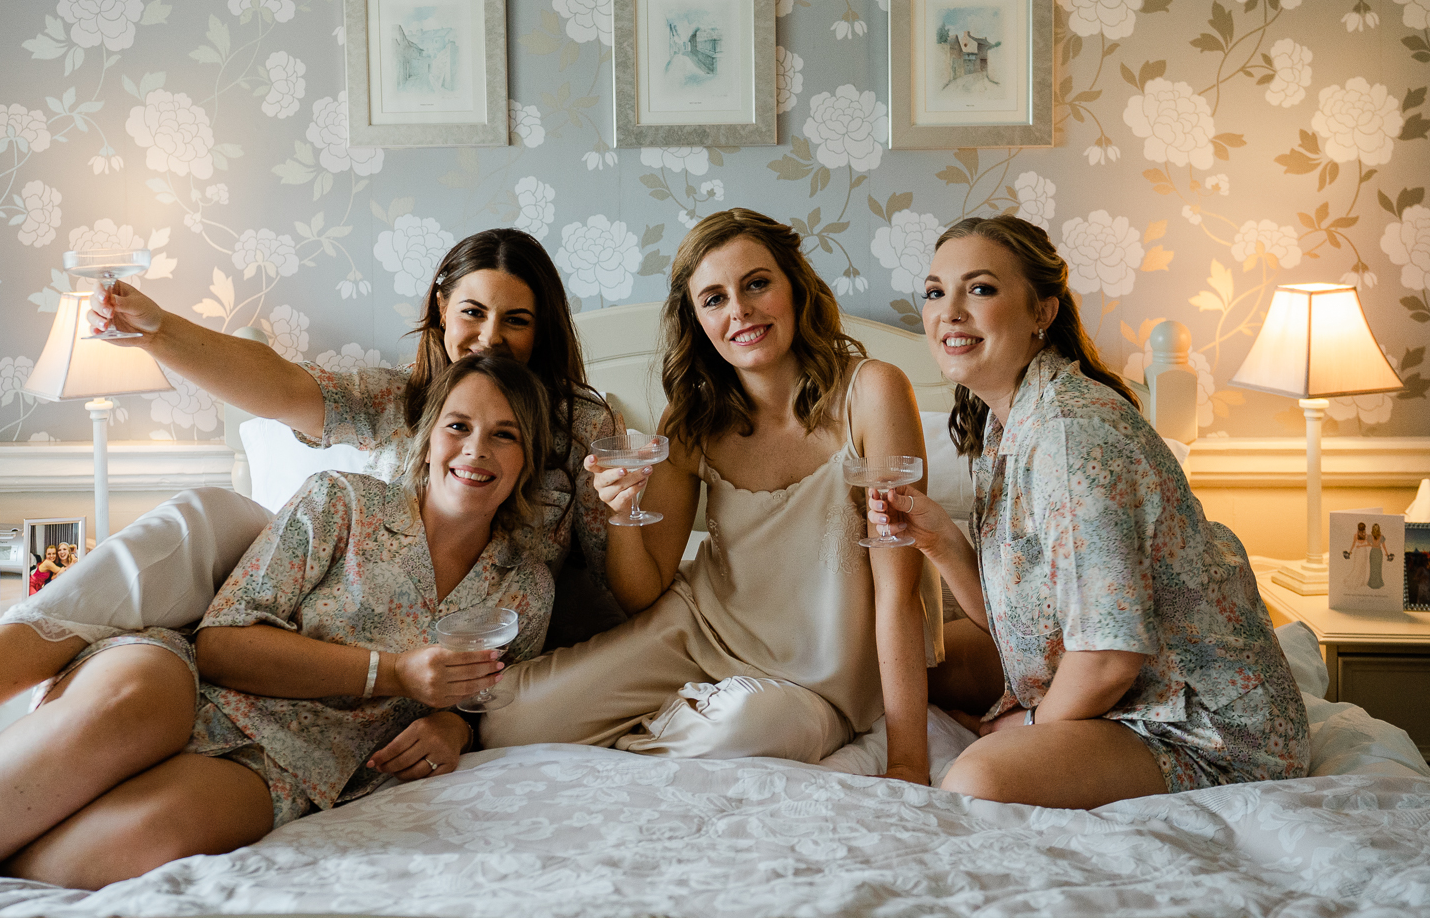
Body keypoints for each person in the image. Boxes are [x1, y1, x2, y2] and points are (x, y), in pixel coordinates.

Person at [0, 230, 620, 810]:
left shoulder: (581, 425)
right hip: (308, 585)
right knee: (202, 513)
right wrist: (159, 329)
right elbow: (278, 386)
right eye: (473, 312)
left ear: (543, 329)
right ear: (441, 309)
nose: (492, 338)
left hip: (436, 641)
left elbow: (608, 588)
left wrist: (461, 717)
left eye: (517, 319)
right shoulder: (397, 401)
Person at [0, 354, 558, 889]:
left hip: (293, 761)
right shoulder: (343, 504)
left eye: (505, 436)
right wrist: (393, 673)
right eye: (459, 426)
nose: (476, 450)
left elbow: (489, 704)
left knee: (134, 842)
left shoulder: (523, 588)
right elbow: (220, 644)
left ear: (528, 460)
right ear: (429, 438)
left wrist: (455, 725)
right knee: (124, 707)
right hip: (180, 680)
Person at [480, 209, 942, 777]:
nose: (740, 311)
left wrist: (910, 762)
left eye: (756, 283)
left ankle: (654, 731)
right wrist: (623, 514)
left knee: (748, 726)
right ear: (697, 319)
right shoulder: (692, 420)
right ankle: (681, 714)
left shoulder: (873, 391)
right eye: (714, 299)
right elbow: (643, 593)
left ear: (794, 287)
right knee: (505, 719)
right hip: (697, 631)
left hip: (812, 678)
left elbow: (899, 591)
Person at [870, 214, 1308, 807]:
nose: (949, 311)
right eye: (934, 292)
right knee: (913, 666)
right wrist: (942, 540)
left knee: (977, 778)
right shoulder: (1003, 424)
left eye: (980, 288)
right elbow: (1016, 621)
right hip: (1118, 683)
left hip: (1203, 727)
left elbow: (1107, 657)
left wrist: (1029, 726)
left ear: (1042, 313)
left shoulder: (1071, 436)